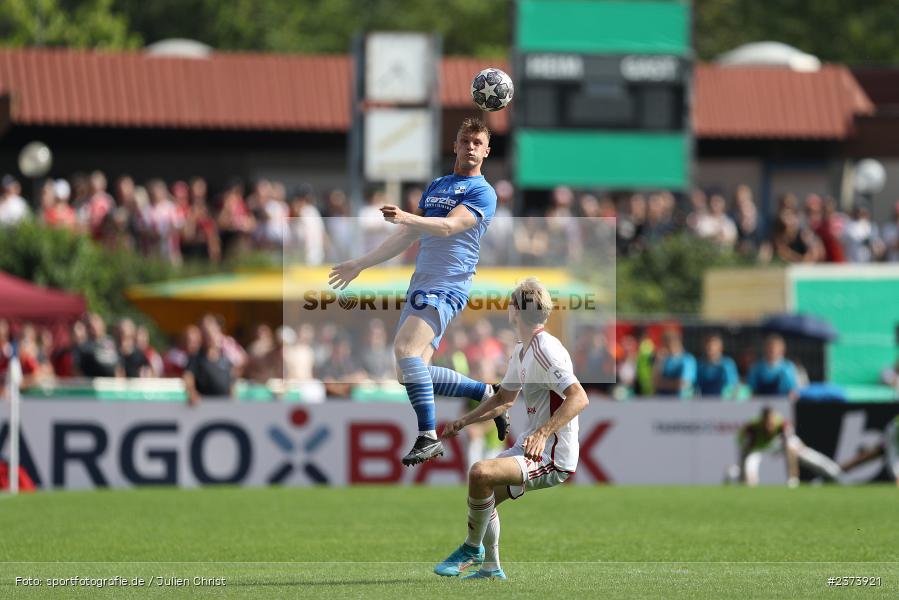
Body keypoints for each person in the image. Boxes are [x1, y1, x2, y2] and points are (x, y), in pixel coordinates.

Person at [329, 117, 506, 465]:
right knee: (407, 373)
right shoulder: (438, 185)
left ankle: (428, 436)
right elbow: (408, 235)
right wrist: (360, 264)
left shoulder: (483, 191)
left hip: (448, 283)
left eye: (477, 142)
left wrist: (408, 217)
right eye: (465, 140)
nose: (470, 147)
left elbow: (450, 226)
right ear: (455, 146)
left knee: (404, 349)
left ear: (487, 151)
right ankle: (488, 393)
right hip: (421, 283)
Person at [436, 278, 589, 580]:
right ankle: (491, 568)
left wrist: (543, 432)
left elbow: (579, 398)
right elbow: (504, 399)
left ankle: (471, 548)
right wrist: (465, 421)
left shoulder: (546, 349)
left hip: (552, 454)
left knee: (480, 472)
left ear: (514, 310)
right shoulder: (522, 350)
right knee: (484, 491)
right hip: (534, 445)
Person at [736, 406, 842, 487]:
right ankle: (748, 483)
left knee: (796, 448)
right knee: (749, 477)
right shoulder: (752, 428)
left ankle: (833, 473)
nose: (769, 426)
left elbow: (791, 444)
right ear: (762, 420)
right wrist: (744, 476)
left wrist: (792, 475)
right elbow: (744, 450)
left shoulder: (782, 423)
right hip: (758, 448)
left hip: (778, 446)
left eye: (771, 422)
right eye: (766, 423)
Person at [652, 328, 696, 398]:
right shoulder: (663, 358)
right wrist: (659, 361)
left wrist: (662, 383)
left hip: (680, 402)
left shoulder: (687, 359)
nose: (663, 347)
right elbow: (654, 382)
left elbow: (684, 384)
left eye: (665, 344)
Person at [695, 333, 740, 399]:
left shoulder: (727, 364)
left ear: (720, 347)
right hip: (703, 403)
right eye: (707, 344)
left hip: (722, 403)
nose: (709, 347)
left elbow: (733, 386)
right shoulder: (698, 365)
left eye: (713, 345)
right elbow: (693, 386)